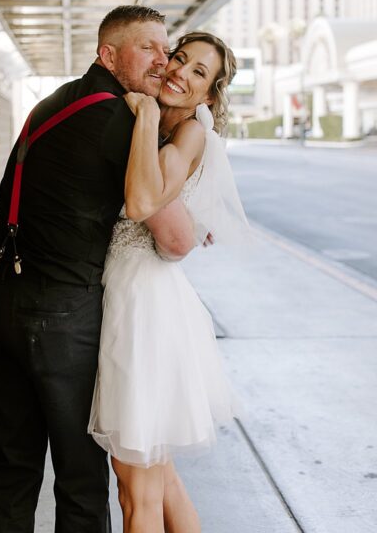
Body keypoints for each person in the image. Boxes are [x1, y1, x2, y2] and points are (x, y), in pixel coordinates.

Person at [0, 6, 200, 532]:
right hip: (57, 316)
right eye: (149, 48)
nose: (163, 61)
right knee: (80, 477)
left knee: (10, 465)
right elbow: (174, 236)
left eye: (167, 49)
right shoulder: (121, 119)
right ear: (108, 55)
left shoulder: (50, 103)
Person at [88, 31, 246, 532]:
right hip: (140, 296)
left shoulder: (190, 132)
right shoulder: (171, 126)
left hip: (142, 309)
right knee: (159, 477)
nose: (180, 72)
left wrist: (148, 113)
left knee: (136, 489)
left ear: (210, 94)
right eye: (180, 59)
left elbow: (141, 203)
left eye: (199, 72)